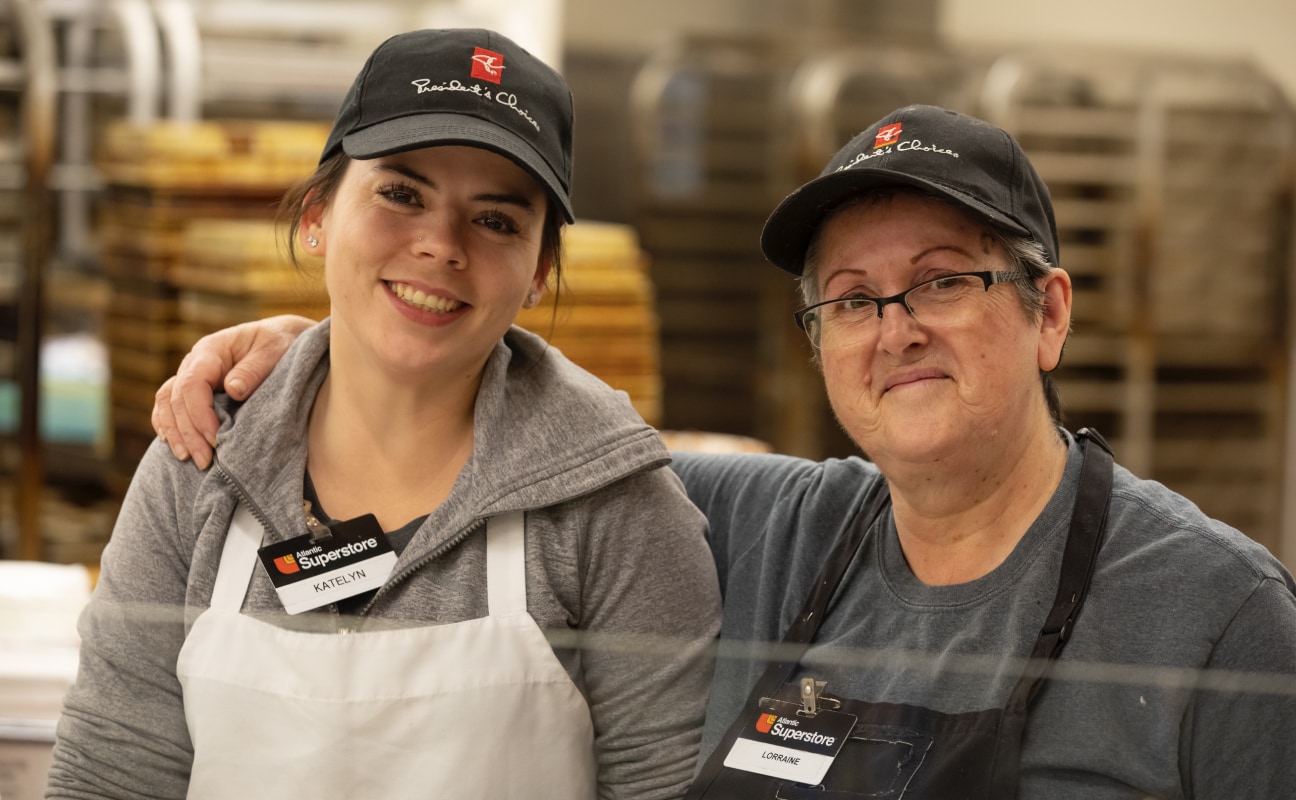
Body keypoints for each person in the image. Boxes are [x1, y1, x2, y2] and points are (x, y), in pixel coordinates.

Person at [152, 104, 1296, 797]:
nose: (894, 325)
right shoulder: (752, 523)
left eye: (945, 279)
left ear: (1049, 310)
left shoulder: (1220, 614)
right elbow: (528, 432)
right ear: (818, 343)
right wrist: (332, 348)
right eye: (850, 298)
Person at [47, 28, 721, 800]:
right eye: (401, 194)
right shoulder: (199, 460)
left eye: (496, 219)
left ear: (538, 273)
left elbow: (663, 790)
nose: (441, 245)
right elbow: (111, 770)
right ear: (317, 216)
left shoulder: (617, 506)